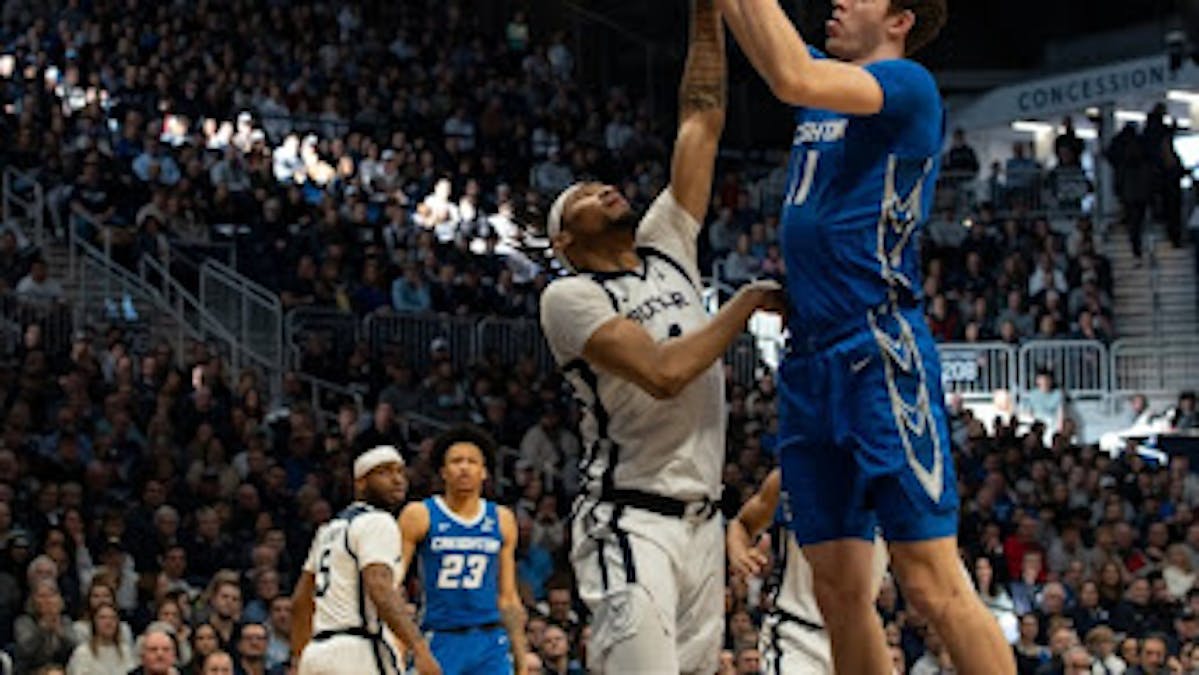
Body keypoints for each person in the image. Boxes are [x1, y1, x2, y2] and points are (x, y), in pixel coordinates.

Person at [717, 1, 1015, 673]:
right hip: (808, 357)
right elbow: (766, 47)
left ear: (900, 19)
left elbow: (787, 73)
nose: (838, 0)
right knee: (836, 591)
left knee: (930, 582)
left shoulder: (907, 85)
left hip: (876, 347)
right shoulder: (827, 82)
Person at [539, 2, 784, 672]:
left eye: (601, 183)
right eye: (583, 195)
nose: (601, 190)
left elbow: (701, 116)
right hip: (629, 519)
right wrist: (745, 303)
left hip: (703, 523)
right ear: (564, 243)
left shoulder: (665, 243)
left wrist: (705, 15)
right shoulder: (570, 297)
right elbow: (664, 372)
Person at [290, 446, 440, 675]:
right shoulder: (377, 521)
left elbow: (300, 602)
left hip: (317, 652)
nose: (397, 479)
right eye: (384, 472)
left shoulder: (329, 530)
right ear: (361, 483)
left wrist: (301, 657)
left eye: (400, 471)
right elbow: (379, 588)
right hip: (357, 651)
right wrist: (419, 648)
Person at [727, 468, 888, 674]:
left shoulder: (893, 479)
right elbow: (742, 523)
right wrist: (739, 551)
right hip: (798, 635)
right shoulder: (792, 473)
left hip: (862, 635)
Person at [397, 426, 528, 675]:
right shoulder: (420, 514)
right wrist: (401, 645)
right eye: (456, 461)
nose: (464, 468)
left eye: (472, 462)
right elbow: (394, 585)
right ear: (443, 471)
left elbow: (509, 597)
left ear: (484, 472)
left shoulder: (502, 518)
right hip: (440, 636)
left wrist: (521, 660)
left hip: (490, 640)